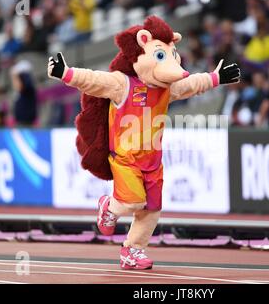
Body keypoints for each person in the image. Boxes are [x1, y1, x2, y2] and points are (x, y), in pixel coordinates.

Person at [47, 16, 240, 270]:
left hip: (153, 162)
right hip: (125, 159)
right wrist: (66, 73)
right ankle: (109, 207)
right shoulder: (122, 84)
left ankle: (132, 250)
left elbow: (192, 85)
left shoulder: (166, 89)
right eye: (161, 55)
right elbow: (94, 80)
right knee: (131, 202)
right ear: (143, 47)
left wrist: (215, 78)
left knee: (152, 210)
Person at [11, 61, 37, 126]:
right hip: (21, 120)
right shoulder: (25, 85)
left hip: (26, 120)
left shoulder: (27, 83)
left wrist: (15, 75)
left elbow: (20, 87)